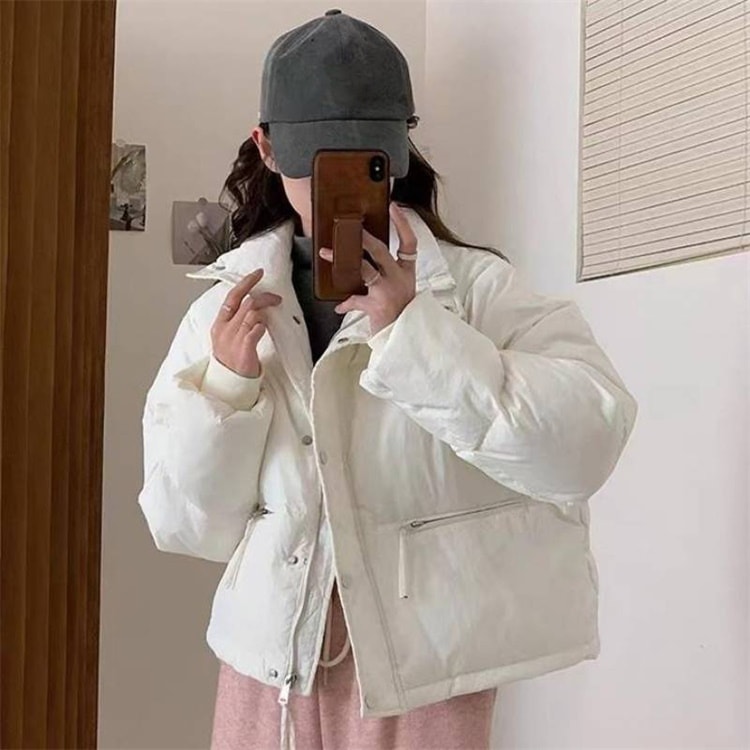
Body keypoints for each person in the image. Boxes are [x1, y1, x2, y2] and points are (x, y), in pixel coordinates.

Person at [137, 9, 638, 750]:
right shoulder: (226, 308)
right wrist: (226, 388)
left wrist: (416, 334)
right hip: (271, 666)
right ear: (266, 148)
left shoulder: (475, 292)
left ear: (398, 150)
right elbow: (185, 525)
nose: (335, 185)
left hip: (425, 673)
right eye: (315, 161)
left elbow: (585, 446)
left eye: (364, 159)